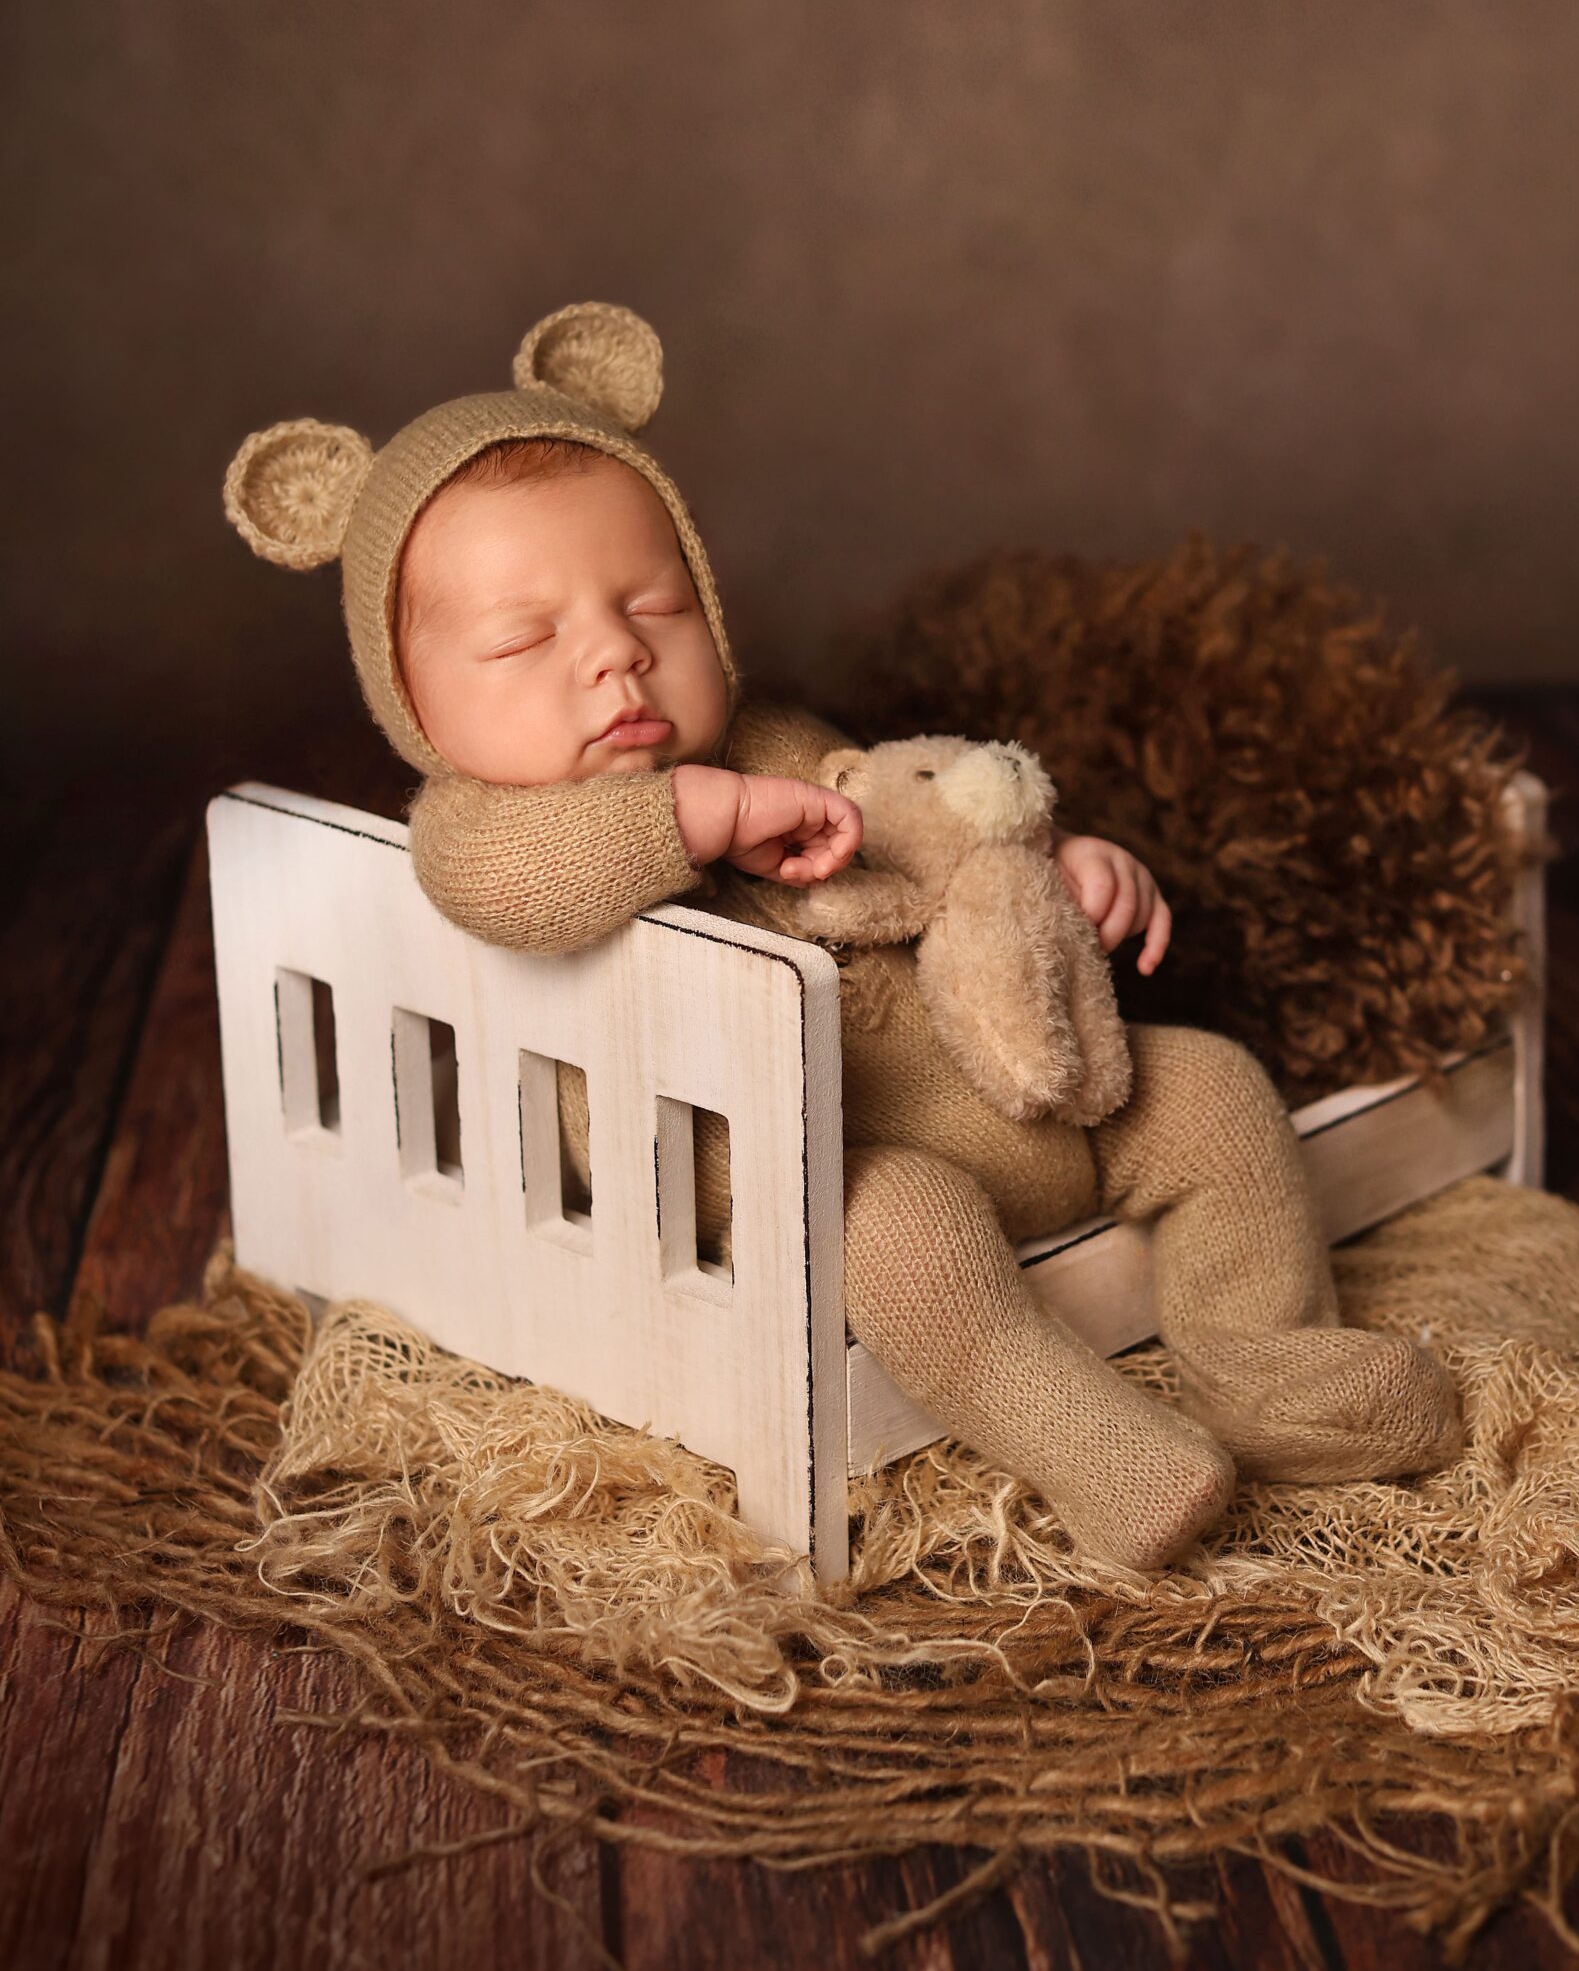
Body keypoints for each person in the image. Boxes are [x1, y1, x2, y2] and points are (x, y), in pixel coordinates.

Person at [225, 303, 1461, 1573]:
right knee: (907, 1230)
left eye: (656, 607)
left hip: (970, 1090)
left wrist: (1045, 862)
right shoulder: (473, 827)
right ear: (416, 701)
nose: (615, 658)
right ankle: (1100, 1448)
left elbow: (908, 814)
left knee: (1210, 1089)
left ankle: (1277, 1374)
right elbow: (519, 883)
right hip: (773, 1171)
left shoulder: (763, 741)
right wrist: (694, 817)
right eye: (525, 639)